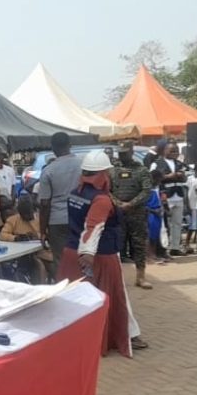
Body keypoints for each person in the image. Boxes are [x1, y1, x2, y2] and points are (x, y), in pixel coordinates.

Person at [56, 151, 146, 355]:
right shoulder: (101, 200)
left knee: (75, 298)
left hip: (72, 252)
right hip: (99, 255)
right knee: (115, 297)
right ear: (103, 174)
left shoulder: (75, 193)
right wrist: (88, 254)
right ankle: (126, 335)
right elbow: (93, 227)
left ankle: (77, 336)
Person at [110, 141, 153, 289]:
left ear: (132, 152)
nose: (122, 156)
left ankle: (140, 277)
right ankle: (116, 279)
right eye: (120, 153)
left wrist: (131, 204)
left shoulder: (141, 170)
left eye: (125, 153)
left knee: (139, 245)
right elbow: (107, 190)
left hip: (137, 213)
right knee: (116, 245)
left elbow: (146, 191)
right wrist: (118, 203)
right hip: (118, 214)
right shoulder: (112, 171)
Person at [39, 132, 83, 269]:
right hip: (80, 217)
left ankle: (65, 282)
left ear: (52, 148)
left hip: (57, 221)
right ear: (70, 145)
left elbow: (44, 204)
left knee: (61, 260)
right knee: (81, 257)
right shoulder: (83, 165)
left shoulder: (48, 170)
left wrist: (42, 231)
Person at [0, 199, 54, 284]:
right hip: (22, 253)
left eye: (29, 214)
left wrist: (37, 236)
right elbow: (2, 235)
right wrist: (16, 238)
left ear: (33, 210)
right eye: (25, 215)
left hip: (40, 251)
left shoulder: (40, 218)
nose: (28, 216)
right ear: (20, 214)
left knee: (45, 264)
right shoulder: (13, 220)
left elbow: (48, 235)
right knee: (37, 263)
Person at [151, 141, 188, 256]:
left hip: (178, 195)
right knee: (164, 224)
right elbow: (152, 178)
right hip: (165, 196)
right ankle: (163, 249)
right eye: (172, 151)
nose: (175, 153)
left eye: (176, 151)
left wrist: (182, 176)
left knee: (177, 223)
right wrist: (168, 176)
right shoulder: (157, 163)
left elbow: (185, 178)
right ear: (164, 151)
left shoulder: (179, 163)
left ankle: (175, 247)